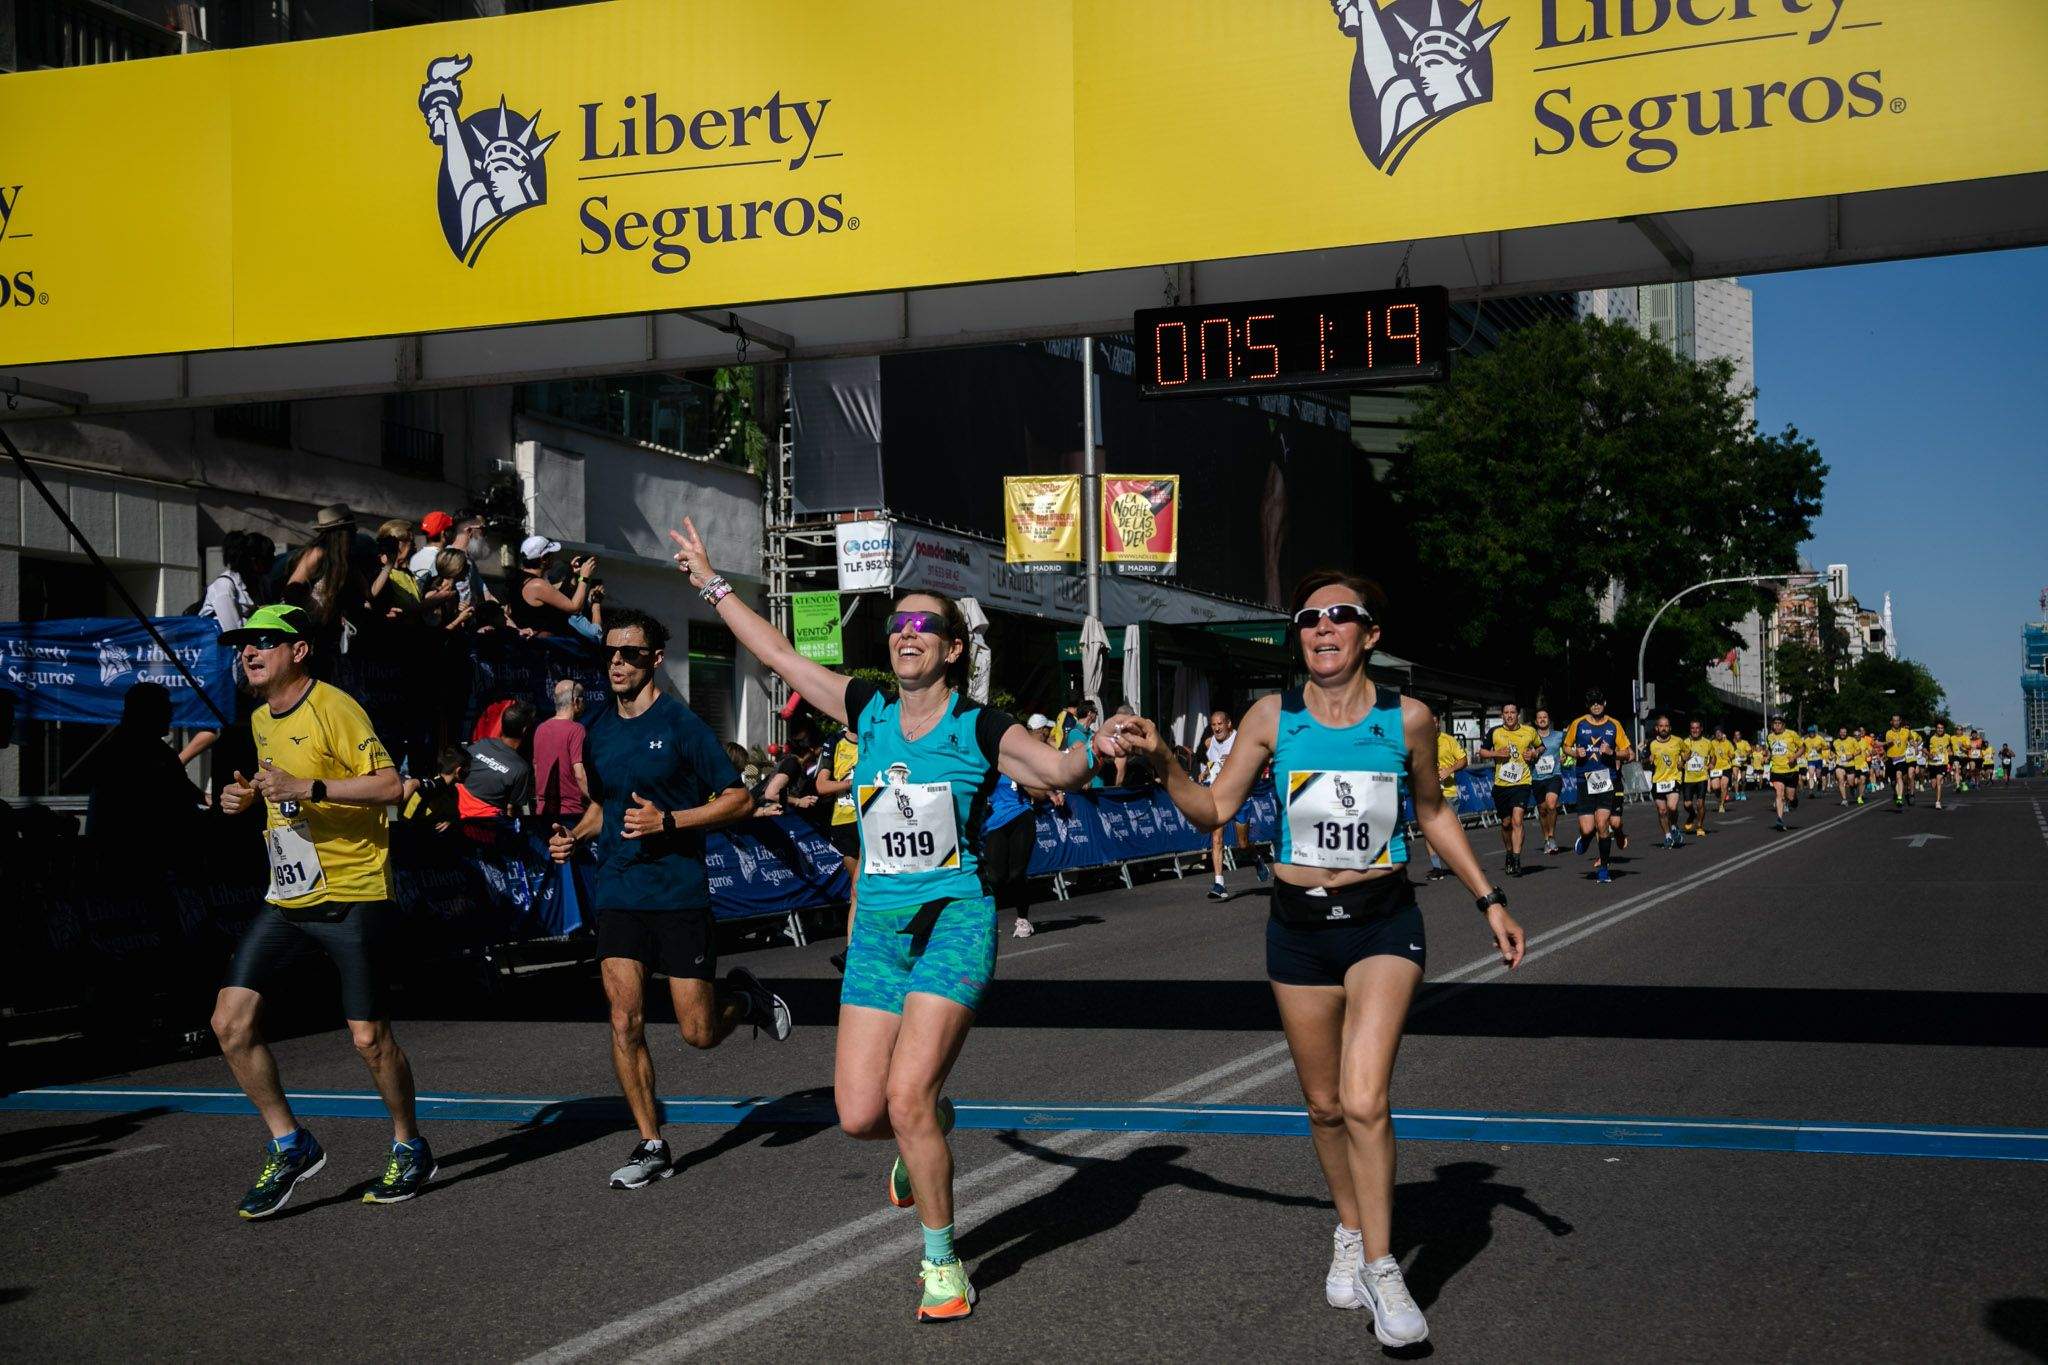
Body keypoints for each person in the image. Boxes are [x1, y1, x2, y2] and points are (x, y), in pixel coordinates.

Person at [668, 516, 1122, 1323]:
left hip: (954, 922)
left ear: (952, 649)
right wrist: (711, 585)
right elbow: (779, 656)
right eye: (899, 624)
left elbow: (1057, 768)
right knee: (859, 1115)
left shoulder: (979, 726)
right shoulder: (868, 709)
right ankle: (934, 1121)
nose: (908, 634)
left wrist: (1098, 743)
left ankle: (942, 1263)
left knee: (906, 1094)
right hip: (878, 931)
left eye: (925, 626)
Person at [1121, 569, 1523, 1351]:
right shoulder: (1273, 716)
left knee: (1365, 1097)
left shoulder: (1408, 718)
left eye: (1340, 615)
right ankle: (1350, 1227)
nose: (1323, 627)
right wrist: (1165, 759)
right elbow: (1214, 807)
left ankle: (1381, 1266)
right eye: (1308, 618)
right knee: (1325, 1105)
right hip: (1298, 928)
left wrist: (1490, 899)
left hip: (1382, 922)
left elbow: (1433, 809)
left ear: (1371, 633)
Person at [547, 607, 790, 1192]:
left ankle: (745, 999)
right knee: (623, 1018)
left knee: (698, 1032)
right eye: (610, 652)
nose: (617, 662)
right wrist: (574, 836)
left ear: (655, 659)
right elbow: (604, 807)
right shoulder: (598, 730)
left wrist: (671, 820)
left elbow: (739, 799)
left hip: (678, 893)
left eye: (630, 653)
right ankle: (651, 1142)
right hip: (620, 890)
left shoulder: (683, 725)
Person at [207, 604, 432, 1218]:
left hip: (352, 891)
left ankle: (409, 1145)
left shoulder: (334, 706)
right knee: (229, 1023)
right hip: (288, 894)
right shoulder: (260, 718)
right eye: (244, 643)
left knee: (369, 1038)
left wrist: (307, 788)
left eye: (264, 641)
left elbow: (390, 785)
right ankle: (291, 1143)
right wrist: (245, 797)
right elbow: (276, 790)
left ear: (299, 650)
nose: (249, 652)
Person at [86, 681, 208, 850]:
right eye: (165, 709)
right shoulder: (121, 753)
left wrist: (203, 798)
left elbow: (179, 783)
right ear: (147, 713)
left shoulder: (161, 751)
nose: (171, 715)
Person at [1563, 689, 1630, 883]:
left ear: (1604, 703)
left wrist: (1612, 752)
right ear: (1588, 705)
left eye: (1599, 702)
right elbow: (1566, 746)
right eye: (1592, 703)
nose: (1596, 706)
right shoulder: (1578, 723)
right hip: (1584, 780)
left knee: (1602, 824)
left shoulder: (1614, 725)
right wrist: (1575, 753)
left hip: (1606, 780)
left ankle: (1604, 869)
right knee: (1587, 829)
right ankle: (1585, 838)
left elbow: (1627, 752)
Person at [1201, 708, 1269, 898]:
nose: (1217, 728)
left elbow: (1258, 759)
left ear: (1229, 724)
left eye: (1220, 724)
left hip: (1239, 797)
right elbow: (1212, 762)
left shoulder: (1240, 740)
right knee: (1216, 839)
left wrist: (1237, 761)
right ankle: (1219, 884)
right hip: (1218, 796)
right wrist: (1206, 772)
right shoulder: (1209, 742)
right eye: (1213, 725)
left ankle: (1256, 858)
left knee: (1243, 844)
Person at [1477, 702, 1538, 876]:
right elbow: (1482, 752)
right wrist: (1496, 753)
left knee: (1517, 820)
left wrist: (1534, 753)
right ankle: (1509, 853)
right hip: (1501, 785)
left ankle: (1517, 860)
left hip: (1522, 783)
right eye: (1506, 712)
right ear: (1502, 715)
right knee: (1506, 824)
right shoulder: (1495, 732)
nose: (1510, 715)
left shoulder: (1529, 731)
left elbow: (1540, 746)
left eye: (1512, 712)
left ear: (1518, 714)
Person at [510, 535, 602, 641]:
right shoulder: (537, 584)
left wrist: (571, 573)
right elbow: (574, 608)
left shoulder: (520, 579)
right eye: (551, 553)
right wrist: (584, 578)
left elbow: (557, 600)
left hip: (536, 642)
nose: (554, 557)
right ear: (544, 558)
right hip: (545, 644)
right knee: (593, 639)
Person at [458, 700, 535, 817]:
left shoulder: (480, 744)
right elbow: (510, 808)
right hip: (483, 823)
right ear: (525, 730)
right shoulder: (520, 769)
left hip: (455, 812)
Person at [532, 679, 591, 821]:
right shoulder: (577, 730)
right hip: (571, 812)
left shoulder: (540, 729)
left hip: (543, 811)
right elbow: (579, 774)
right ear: (576, 701)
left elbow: (536, 769)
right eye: (583, 699)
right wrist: (595, 801)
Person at [1418, 714, 1467, 881]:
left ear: (1439, 723)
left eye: (1434, 721)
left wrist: (1449, 770)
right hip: (1428, 793)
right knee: (1429, 832)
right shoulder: (1419, 741)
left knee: (1451, 833)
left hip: (1448, 793)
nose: (1432, 724)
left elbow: (1463, 760)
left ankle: (1461, 864)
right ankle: (1437, 868)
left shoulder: (1448, 740)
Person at [1644, 714, 1685, 849]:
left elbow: (1687, 752)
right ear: (1657, 728)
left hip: (1674, 778)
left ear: (1670, 728)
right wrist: (1648, 760)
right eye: (1661, 726)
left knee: (1672, 807)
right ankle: (1668, 836)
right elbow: (1644, 760)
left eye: (1666, 726)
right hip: (1658, 780)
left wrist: (1683, 761)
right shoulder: (1651, 743)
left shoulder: (1678, 741)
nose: (1664, 728)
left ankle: (1673, 826)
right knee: (1662, 811)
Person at [1529, 707, 1566, 854]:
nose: (1542, 719)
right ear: (1536, 721)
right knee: (1542, 810)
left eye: (1545, 717)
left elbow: (1569, 746)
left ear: (1549, 720)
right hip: (1537, 777)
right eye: (1540, 717)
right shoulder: (1530, 738)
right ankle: (1546, 839)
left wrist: (1565, 756)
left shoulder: (1558, 735)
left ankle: (1551, 836)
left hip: (1554, 776)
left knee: (1551, 805)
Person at [1764, 715, 1801, 831]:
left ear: (1783, 725)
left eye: (1779, 723)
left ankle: (1794, 799)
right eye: (1775, 723)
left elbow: (1802, 747)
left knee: (1790, 796)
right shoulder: (1770, 737)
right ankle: (1779, 819)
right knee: (1779, 793)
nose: (1777, 726)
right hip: (1776, 770)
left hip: (1790, 770)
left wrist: (1794, 757)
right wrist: (1767, 758)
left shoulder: (1792, 734)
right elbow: (1770, 751)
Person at [1680, 718, 1713, 836]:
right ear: (1690, 729)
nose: (1695, 730)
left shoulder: (1707, 743)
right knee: (1687, 804)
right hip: (1688, 778)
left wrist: (1712, 764)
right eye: (1692, 728)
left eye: (1697, 728)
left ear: (1701, 729)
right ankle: (1692, 814)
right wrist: (1683, 760)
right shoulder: (1685, 743)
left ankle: (1700, 826)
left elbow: (1713, 757)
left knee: (1700, 803)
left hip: (1702, 777)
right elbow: (1680, 760)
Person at [1883, 713, 1921, 810]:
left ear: (1900, 721)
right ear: (1891, 722)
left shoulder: (1906, 732)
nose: (1896, 722)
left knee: (1899, 776)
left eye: (1897, 720)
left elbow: (1911, 740)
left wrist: (1915, 746)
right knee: (1893, 782)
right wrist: (1886, 743)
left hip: (1901, 759)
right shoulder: (1888, 733)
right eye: (1894, 721)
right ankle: (1897, 794)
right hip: (1891, 759)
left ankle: (1900, 798)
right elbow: (1887, 743)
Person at [1925, 720, 1954, 811]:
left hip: (1942, 763)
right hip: (1932, 764)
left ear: (1944, 729)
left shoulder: (1948, 737)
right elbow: (1924, 749)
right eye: (1938, 728)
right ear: (1936, 729)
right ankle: (1937, 794)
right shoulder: (1930, 737)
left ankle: (1938, 802)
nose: (1940, 730)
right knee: (1933, 785)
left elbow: (1951, 748)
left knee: (1939, 781)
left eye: (1942, 728)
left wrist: (1950, 752)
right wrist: (1929, 754)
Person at [1710, 724, 1737, 814]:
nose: (1718, 734)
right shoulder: (1711, 743)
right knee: (1715, 787)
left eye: (1720, 732)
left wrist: (1731, 755)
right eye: (1716, 733)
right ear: (1715, 734)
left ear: (1722, 733)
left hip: (1726, 767)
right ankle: (1720, 797)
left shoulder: (1728, 743)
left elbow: (1733, 754)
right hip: (1715, 768)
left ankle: (1721, 804)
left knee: (1724, 786)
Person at [1832, 726, 1861, 806]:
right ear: (1839, 733)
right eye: (1841, 732)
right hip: (1840, 764)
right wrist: (1832, 757)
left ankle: (1852, 788)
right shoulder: (1835, 742)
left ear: (1846, 733)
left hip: (1850, 764)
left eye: (1844, 732)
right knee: (1840, 780)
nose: (1843, 734)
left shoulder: (1852, 740)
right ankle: (1844, 799)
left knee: (1851, 783)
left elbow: (1859, 750)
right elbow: (1833, 751)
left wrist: (1851, 755)